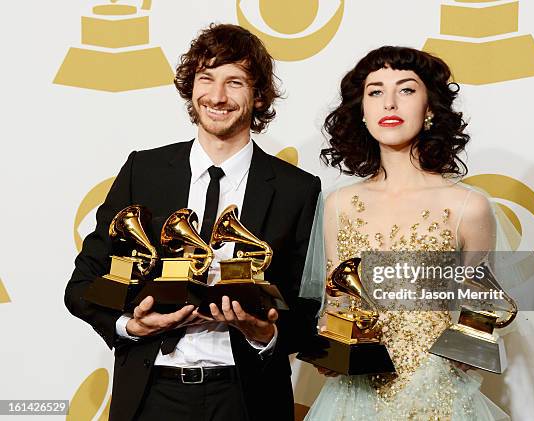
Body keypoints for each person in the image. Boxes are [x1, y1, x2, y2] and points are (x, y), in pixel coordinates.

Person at [65, 23, 321, 421]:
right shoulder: (143, 171)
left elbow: (311, 310)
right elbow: (83, 285)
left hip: (248, 399)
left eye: (234, 82)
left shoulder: (296, 189)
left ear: (258, 96)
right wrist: (131, 326)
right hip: (150, 396)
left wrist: (265, 335)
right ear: (191, 87)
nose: (217, 97)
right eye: (207, 78)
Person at [300, 46, 510, 420]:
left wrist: (469, 347)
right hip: (355, 396)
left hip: (437, 398)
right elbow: (336, 303)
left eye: (407, 89)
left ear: (430, 108)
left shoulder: (466, 206)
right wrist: (328, 347)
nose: (389, 103)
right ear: (362, 111)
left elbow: (481, 311)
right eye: (375, 91)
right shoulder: (339, 204)